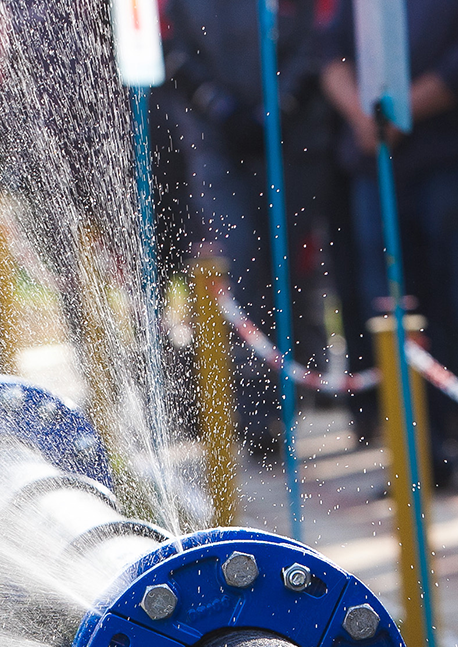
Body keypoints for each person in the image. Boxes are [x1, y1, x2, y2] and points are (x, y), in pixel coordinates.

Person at [320, 0, 458, 491]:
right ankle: (420, 460)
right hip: (379, 167)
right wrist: (365, 117)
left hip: (453, 159)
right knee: (394, 319)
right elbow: (330, 54)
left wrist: (403, 110)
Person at [163, 0, 323, 458]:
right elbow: (176, 48)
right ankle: (256, 415)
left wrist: (283, 104)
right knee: (240, 272)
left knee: (289, 272)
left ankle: (292, 392)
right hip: (217, 143)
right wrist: (218, 106)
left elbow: (315, 41)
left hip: (289, 143)